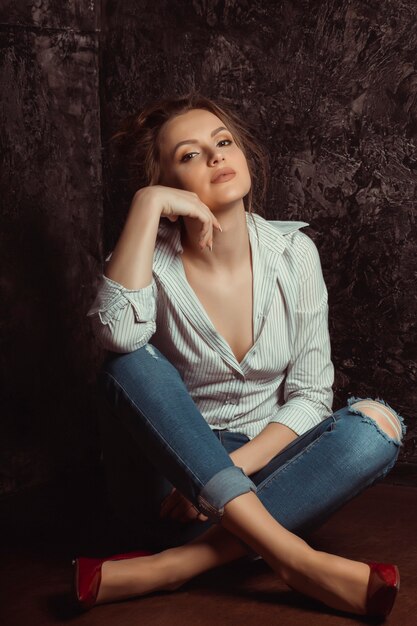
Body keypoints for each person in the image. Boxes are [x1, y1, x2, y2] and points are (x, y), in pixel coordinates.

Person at [75, 92, 407, 618]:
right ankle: (294, 558)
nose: (214, 157)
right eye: (188, 154)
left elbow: (311, 396)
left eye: (223, 142)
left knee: (377, 426)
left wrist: (223, 475)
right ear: (164, 180)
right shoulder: (143, 260)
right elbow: (115, 337)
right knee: (128, 360)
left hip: (260, 470)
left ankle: (174, 566)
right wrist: (145, 206)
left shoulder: (294, 253)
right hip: (168, 482)